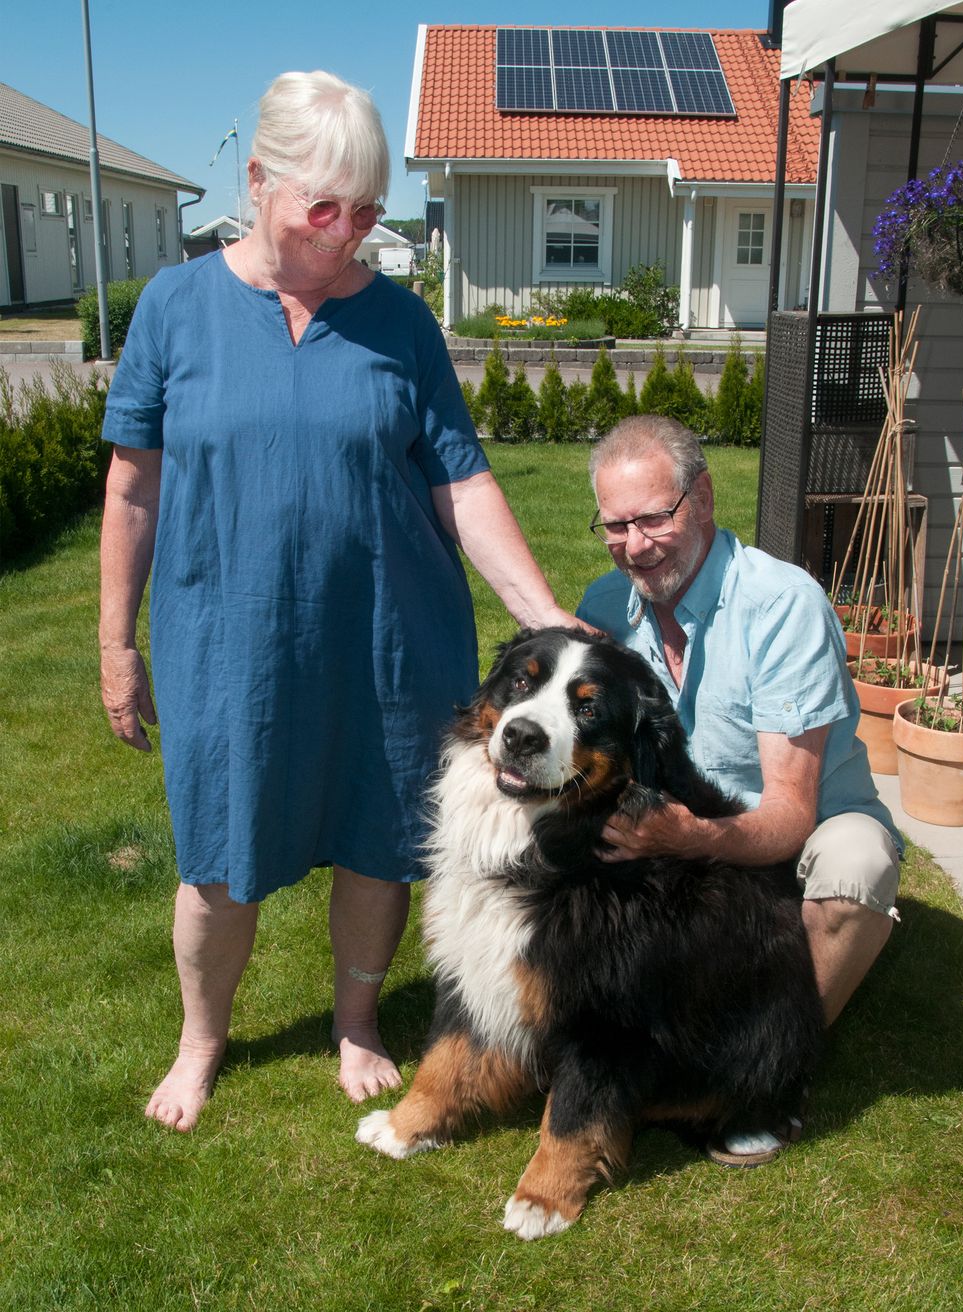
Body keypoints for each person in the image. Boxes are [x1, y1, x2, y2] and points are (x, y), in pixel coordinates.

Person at [99, 69, 584, 1132]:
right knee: (221, 853)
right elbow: (133, 484)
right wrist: (115, 643)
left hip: (387, 640)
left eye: (367, 209)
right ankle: (201, 1039)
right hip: (230, 641)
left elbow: (459, 477)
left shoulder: (399, 322)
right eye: (326, 207)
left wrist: (543, 608)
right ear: (257, 179)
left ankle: (357, 1021)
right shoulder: (174, 308)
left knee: (375, 836)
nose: (350, 230)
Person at [577, 415, 902, 1166]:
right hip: (680, 834)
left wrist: (688, 839)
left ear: (704, 496)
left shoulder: (782, 606)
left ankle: (765, 1077)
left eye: (655, 517)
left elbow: (789, 814)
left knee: (857, 869)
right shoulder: (602, 609)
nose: (636, 544)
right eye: (616, 525)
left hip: (793, 831)